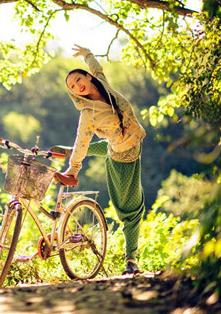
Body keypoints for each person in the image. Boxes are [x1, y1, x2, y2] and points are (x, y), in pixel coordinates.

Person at [52, 44, 146, 275]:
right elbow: (83, 140)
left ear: (87, 77)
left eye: (77, 80)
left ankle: (67, 150)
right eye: (73, 87)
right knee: (131, 210)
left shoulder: (103, 84)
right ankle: (131, 261)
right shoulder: (88, 113)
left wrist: (87, 54)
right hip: (122, 159)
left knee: (109, 146)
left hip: (131, 141)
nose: (77, 86)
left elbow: (97, 68)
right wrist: (73, 169)